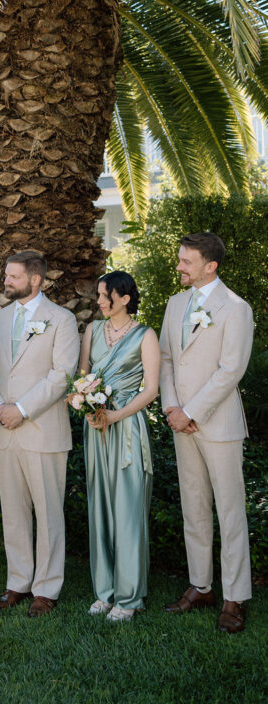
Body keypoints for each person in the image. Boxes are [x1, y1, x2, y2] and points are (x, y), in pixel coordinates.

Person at [160, 232, 253, 633]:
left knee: (230, 513)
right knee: (193, 508)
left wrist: (192, 411)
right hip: (181, 422)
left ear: (210, 266)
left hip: (218, 424)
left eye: (186, 261)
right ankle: (201, 586)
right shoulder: (175, 303)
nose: (179, 266)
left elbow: (231, 370)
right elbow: (164, 358)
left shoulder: (235, 308)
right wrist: (170, 408)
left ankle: (235, 597)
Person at [0, 250, 79, 618]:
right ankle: (18, 582)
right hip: (2, 431)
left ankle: (47, 588)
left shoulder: (61, 319)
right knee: (13, 511)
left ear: (35, 279)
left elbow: (62, 373)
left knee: (49, 511)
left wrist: (21, 409)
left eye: (13, 276)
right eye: (6, 275)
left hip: (42, 430)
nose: (5, 281)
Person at [79, 271, 160, 621]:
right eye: (98, 295)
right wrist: (83, 404)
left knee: (127, 508)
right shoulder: (92, 331)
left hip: (126, 427)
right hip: (96, 427)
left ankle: (129, 597)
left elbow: (151, 389)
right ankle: (104, 592)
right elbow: (80, 377)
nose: (99, 301)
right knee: (100, 505)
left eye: (105, 296)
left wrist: (116, 415)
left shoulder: (146, 335)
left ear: (125, 298)